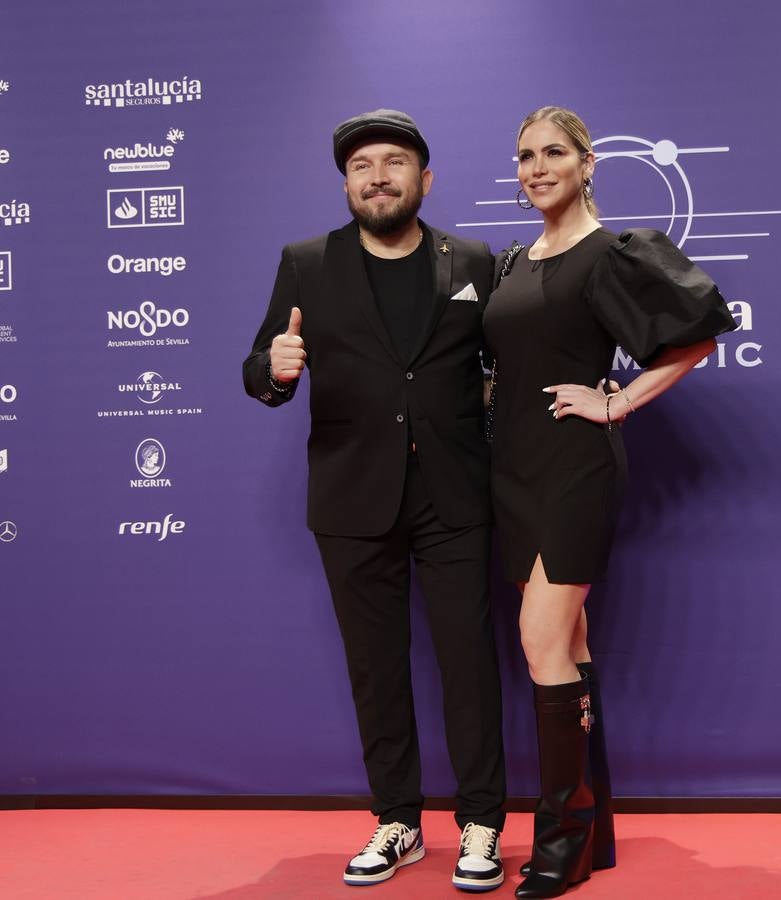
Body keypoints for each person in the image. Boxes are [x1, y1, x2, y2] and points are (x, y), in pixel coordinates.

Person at [242, 109, 508, 893]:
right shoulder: (306, 263)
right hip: (352, 497)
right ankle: (397, 820)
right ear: (346, 185)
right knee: (375, 668)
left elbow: (504, 367)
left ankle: (481, 822)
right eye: (361, 166)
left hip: (455, 494)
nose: (378, 176)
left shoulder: (474, 260)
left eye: (394, 162)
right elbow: (261, 371)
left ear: (424, 178)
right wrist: (274, 369)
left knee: (468, 664)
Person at [483, 106, 735, 898]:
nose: (536, 168)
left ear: (587, 163)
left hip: (574, 467)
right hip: (511, 471)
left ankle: (560, 843)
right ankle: (593, 835)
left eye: (553, 152)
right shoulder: (510, 262)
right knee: (570, 641)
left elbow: (699, 333)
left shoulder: (610, 254)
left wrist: (618, 401)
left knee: (540, 644)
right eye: (525, 156)